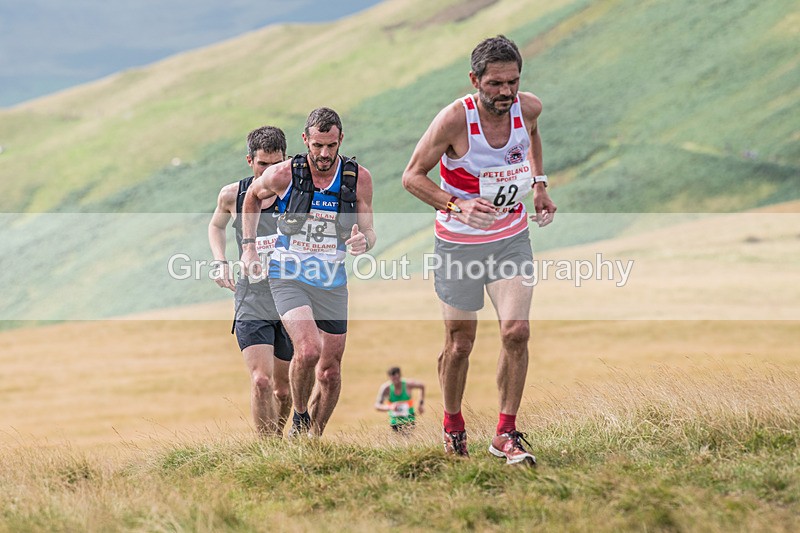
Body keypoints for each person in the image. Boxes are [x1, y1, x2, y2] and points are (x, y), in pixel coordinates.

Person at [401, 35, 557, 466]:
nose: (506, 92)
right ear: (475, 80)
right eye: (495, 84)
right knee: (460, 344)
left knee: (516, 331)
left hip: (510, 238)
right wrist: (458, 205)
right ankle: (453, 425)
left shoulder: (528, 108)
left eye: (513, 81)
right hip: (459, 246)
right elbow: (412, 177)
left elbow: (533, 136)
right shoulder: (455, 120)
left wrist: (539, 185)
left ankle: (506, 434)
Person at [241, 107, 376, 438]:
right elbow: (251, 198)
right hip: (288, 275)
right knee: (309, 350)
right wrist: (249, 246)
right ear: (305, 140)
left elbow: (370, 231)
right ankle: (300, 415)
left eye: (331, 145)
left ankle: (313, 439)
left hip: (332, 280)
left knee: (330, 373)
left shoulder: (358, 178)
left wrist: (364, 241)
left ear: (341, 140)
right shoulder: (284, 174)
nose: (324, 154)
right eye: (317, 145)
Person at [208, 125, 293, 437]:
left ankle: (277, 439)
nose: (269, 172)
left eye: (277, 164)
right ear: (249, 161)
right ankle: (266, 449)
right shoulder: (232, 195)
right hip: (252, 297)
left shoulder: (298, 194)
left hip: (291, 296)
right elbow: (216, 226)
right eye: (262, 165)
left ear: (287, 160)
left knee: (283, 391)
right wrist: (220, 261)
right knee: (261, 381)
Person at [374, 367, 425, 433]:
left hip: (410, 420)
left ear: (400, 376)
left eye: (397, 378)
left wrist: (421, 404)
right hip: (395, 422)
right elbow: (377, 405)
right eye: (393, 379)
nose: (396, 381)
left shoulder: (408, 384)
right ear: (389, 378)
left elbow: (422, 386)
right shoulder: (386, 388)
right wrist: (390, 407)